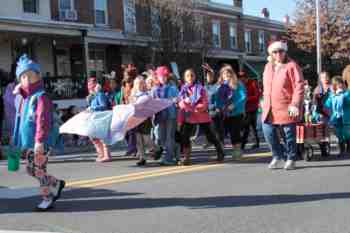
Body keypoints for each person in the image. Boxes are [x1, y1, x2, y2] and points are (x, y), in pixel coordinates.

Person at [12, 54, 65, 211]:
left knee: (39, 170)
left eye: (30, 76)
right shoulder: (25, 98)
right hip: (30, 141)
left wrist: (39, 141)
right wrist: (20, 93)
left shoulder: (40, 97)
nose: (26, 80)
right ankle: (56, 183)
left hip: (40, 141)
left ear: (38, 76)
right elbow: (19, 115)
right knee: (31, 169)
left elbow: (42, 120)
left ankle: (47, 198)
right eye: (22, 77)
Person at [262, 41, 304, 170]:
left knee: (289, 135)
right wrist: (263, 100)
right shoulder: (268, 66)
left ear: (285, 52)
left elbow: (299, 86)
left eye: (281, 51)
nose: (278, 54)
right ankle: (277, 155)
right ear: (271, 53)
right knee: (268, 131)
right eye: (275, 52)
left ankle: (291, 158)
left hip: (287, 106)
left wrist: (295, 104)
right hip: (269, 106)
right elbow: (265, 86)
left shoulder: (292, 65)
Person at [178, 69, 225, 165]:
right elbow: (181, 103)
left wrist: (192, 107)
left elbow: (204, 103)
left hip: (201, 115)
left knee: (210, 136)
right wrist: (185, 105)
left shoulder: (200, 88)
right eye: (187, 76)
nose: (190, 77)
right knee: (184, 136)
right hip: (189, 116)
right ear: (184, 78)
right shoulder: (183, 89)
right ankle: (187, 158)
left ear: (195, 77)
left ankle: (220, 151)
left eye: (192, 75)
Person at [215, 65, 247, 159]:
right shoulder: (220, 86)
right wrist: (218, 107)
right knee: (224, 132)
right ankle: (226, 150)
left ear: (232, 74)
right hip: (225, 113)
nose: (227, 76)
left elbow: (243, 97)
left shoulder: (238, 84)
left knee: (235, 132)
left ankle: (237, 151)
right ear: (222, 76)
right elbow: (217, 98)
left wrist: (234, 105)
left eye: (229, 74)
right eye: (224, 74)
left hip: (236, 112)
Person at [130, 76, 161, 166]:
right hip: (135, 119)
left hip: (145, 119)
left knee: (146, 139)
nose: (139, 85)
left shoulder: (147, 94)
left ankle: (157, 148)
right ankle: (142, 157)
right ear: (135, 85)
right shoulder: (133, 94)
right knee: (139, 140)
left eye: (141, 83)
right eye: (137, 83)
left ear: (144, 84)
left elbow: (149, 106)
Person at [152, 66, 178, 165]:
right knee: (161, 137)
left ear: (167, 77)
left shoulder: (172, 88)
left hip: (171, 115)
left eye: (164, 76)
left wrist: (175, 100)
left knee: (169, 137)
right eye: (160, 76)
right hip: (159, 116)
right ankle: (174, 150)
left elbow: (178, 99)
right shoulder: (154, 89)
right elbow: (151, 101)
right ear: (157, 77)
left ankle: (168, 158)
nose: (162, 78)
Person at [86, 77, 112, 162]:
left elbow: (103, 106)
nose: (89, 86)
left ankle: (107, 155)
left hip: (102, 118)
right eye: (88, 84)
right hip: (94, 119)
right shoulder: (92, 96)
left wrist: (92, 108)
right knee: (93, 137)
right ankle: (101, 154)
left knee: (102, 137)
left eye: (91, 84)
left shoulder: (100, 94)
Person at [324, 76, 350, 156]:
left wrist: (342, 95)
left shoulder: (347, 93)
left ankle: (348, 146)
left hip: (346, 117)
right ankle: (341, 149)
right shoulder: (332, 95)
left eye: (341, 84)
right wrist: (333, 96)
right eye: (338, 84)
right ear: (334, 86)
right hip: (336, 117)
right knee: (338, 133)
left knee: (346, 133)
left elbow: (348, 101)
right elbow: (327, 105)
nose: (340, 86)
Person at [240, 71, 260, 150]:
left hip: (252, 108)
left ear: (246, 77)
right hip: (245, 108)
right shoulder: (241, 85)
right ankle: (256, 142)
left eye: (243, 78)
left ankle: (243, 144)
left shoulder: (253, 83)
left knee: (248, 126)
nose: (241, 80)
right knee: (250, 126)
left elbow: (257, 95)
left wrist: (247, 99)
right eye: (240, 78)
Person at [202, 63, 220, 149]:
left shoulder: (216, 86)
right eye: (207, 76)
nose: (209, 78)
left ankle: (219, 142)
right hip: (206, 110)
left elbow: (218, 97)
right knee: (208, 128)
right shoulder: (205, 87)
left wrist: (217, 108)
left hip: (215, 110)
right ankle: (209, 141)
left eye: (210, 76)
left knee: (215, 127)